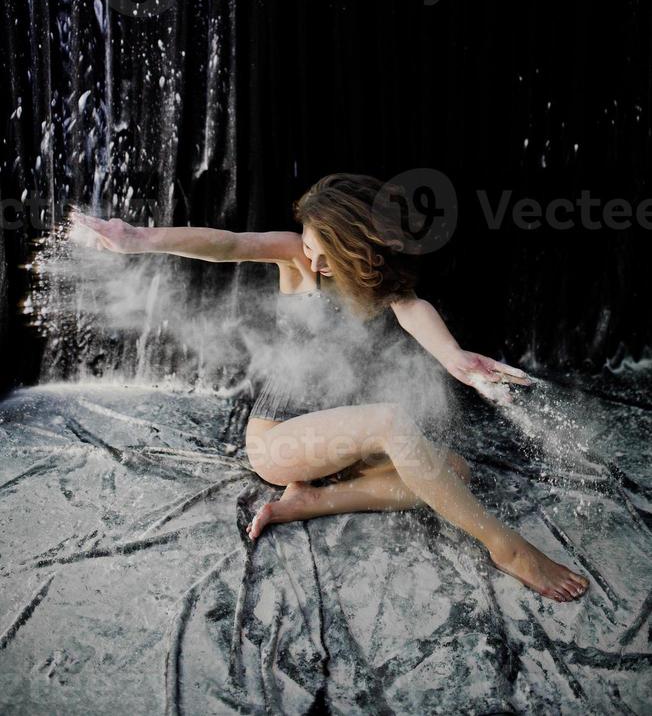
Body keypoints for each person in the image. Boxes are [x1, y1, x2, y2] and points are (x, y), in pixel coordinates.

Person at [69, 173, 590, 603]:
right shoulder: (295, 257)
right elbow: (227, 244)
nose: (315, 261)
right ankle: (507, 547)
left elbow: (411, 309)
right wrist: (138, 239)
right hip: (280, 443)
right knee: (391, 421)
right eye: (312, 247)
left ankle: (312, 502)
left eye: (327, 251)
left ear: (357, 243)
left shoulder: (374, 278)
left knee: (453, 471)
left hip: (338, 450)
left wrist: (454, 357)